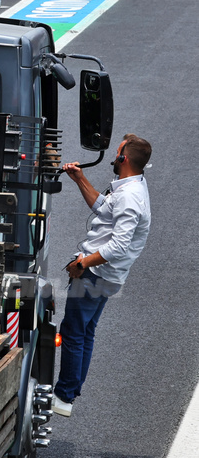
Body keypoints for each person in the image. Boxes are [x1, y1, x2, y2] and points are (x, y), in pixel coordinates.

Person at [52, 136, 152, 416]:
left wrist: (82, 264)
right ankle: (71, 390)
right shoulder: (130, 188)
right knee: (85, 331)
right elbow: (103, 209)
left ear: (124, 159)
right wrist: (79, 179)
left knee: (73, 331)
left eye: (118, 152)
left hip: (97, 274)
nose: (113, 156)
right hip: (106, 275)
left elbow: (119, 246)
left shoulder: (130, 197)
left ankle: (64, 395)